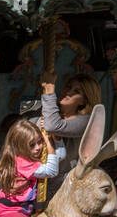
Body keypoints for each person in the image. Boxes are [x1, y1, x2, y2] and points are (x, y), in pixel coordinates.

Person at [0, 118, 60, 217]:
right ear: (20, 147)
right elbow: (52, 170)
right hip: (10, 213)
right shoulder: (23, 162)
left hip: (23, 211)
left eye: (39, 142)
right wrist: (48, 143)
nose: (38, 148)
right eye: (32, 145)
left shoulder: (29, 160)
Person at [40, 71, 101, 199]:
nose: (69, 92)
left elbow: (52, 126)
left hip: (63, 187)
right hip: (39, 179)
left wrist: (50, 89)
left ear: (84, 100)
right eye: (68, 87)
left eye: (76, 91)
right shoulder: (49, 112)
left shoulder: (86, 121)